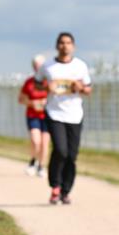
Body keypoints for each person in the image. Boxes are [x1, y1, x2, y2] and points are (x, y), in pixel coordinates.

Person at [35, 33, 92, 204]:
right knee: (60, 150)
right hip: (54, 113)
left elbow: (89, 89)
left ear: (73, 46)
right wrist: (46, 86)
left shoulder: (80, 66)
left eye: (68, 43)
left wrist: (80, 87)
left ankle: (66, 191)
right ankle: (55, 187)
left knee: (71, 155)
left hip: (75, 114)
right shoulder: (48, 66)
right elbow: (37, 83)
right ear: (57, 46)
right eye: (61, 43)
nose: (65, 46)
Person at [19, 54, 51, 177]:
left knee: (44, 143)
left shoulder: (49, 81)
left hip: (47, 116)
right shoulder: (29, 82)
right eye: (36, 66)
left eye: (40, 66)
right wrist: (33, 103)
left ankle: (41, 166)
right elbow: (21, 99)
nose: (38, 68)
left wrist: (46, 102)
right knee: (35, 140)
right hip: (33, 115)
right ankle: (33, 161)